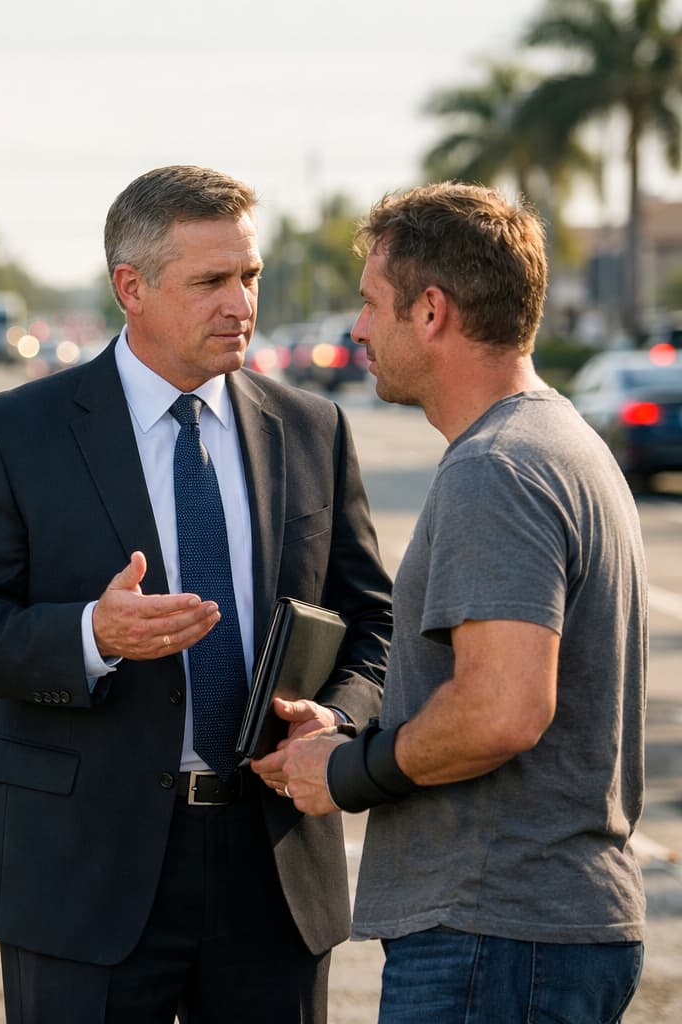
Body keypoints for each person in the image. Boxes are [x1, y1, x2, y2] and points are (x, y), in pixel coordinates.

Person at [0, 165, 393, 1023]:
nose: (241, 304)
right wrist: (91, 635)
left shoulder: (312, 428)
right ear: (130, 288)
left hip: (272, 866)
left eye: (249, 275)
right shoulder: (12, 433)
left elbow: (373, 622)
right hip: (80, 874)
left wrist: (339, 716)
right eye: (211, 281)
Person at [259, 182, 647, 1022]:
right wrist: (356, 731)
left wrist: (345, 772)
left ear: (431, 311)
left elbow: (503, 709)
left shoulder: (495, 467)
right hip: (538, 929)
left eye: (371, 302)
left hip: (494, 931)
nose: (358, 328)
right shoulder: (561, 441)